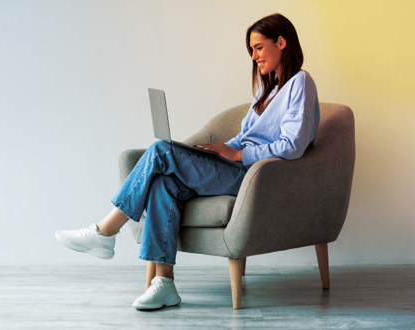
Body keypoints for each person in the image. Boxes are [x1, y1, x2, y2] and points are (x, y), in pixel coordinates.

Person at [55, 13, 320, 310]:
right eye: (252, 50)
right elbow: (246, 136)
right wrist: (218, 150)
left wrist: (238, 155)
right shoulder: (266, 90)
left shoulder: (301, 83)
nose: (254, 56)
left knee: (160, 151)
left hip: (252, 175)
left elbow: (293, 145)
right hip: (234, 164)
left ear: (281, 42)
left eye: (258, 47)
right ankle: (164, 284)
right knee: (163, 184)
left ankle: (105, 231)